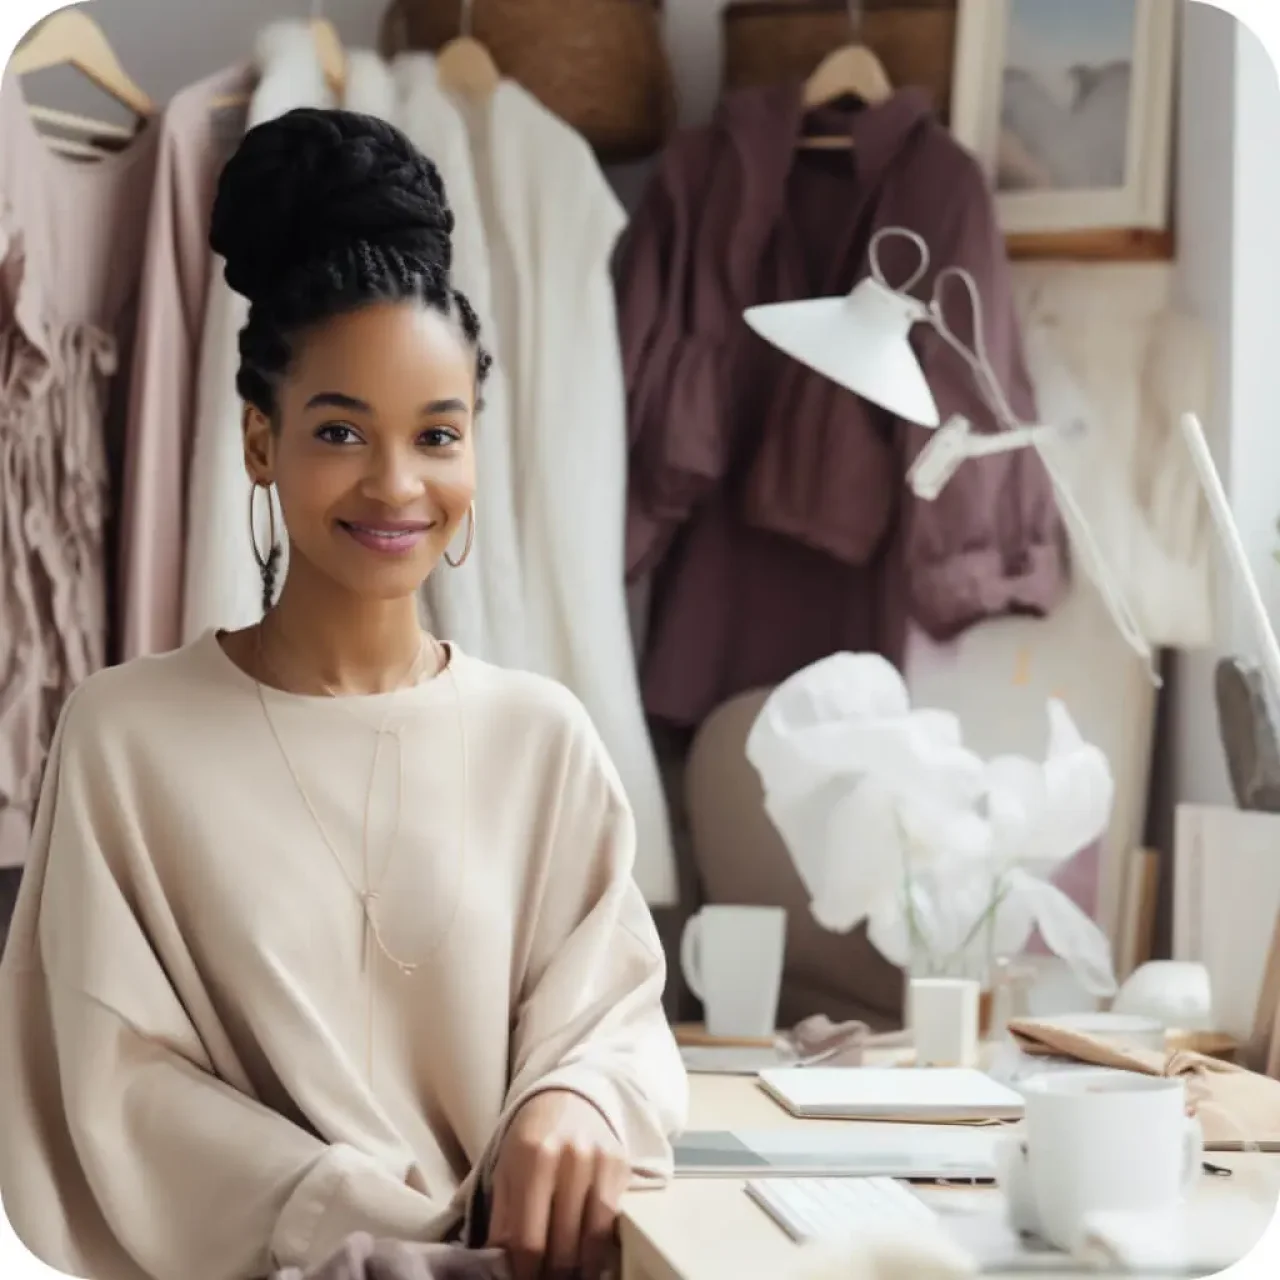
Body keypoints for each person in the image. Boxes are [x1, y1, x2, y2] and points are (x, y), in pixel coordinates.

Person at [0, 108, 687, 1280]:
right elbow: (112, 1077)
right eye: (339, 430)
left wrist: (574, 1097)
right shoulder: (124, 736)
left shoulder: (542, 741)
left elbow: (609, 1017)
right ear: (260, 443)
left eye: (436, 432)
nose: (395, 483)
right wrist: (349, 1226)